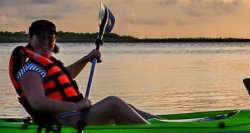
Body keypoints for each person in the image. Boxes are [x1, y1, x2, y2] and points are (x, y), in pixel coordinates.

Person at [8, 19, 149, 126]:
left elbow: (64, 77)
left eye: (50, 37)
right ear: (30, 39)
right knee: (113, 103)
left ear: (55, 40)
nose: (46, 42)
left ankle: (162, 123)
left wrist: (87, 59)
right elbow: (38, 103)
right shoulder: (30, 69)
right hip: (66, 119)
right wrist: (76, 106)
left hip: (74, 115)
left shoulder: (46, 65)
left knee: (128, 107)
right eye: (41, 37)